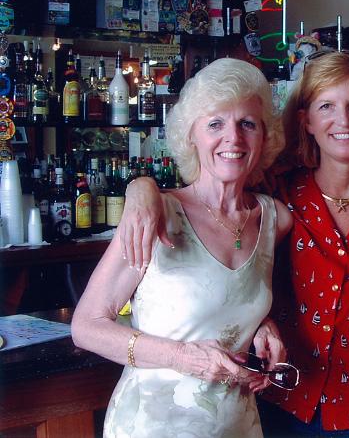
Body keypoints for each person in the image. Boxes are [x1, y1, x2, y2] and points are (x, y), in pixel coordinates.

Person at [118, 51, 349, 437]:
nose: (342, 120)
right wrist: (140, 188)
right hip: (283, 402)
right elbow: (207, 200)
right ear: (305, 120)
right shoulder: (275, 200)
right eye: (327, 106)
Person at [71, 58, 293, 438]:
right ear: (191, 135)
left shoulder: (275, 219)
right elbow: (86, 327)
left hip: (237, 426)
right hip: (152, 426)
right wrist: (183, 357)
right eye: (215, 124)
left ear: (265, 136)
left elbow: (232, 298)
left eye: (247, 124)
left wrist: (263, 326)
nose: (233, 138)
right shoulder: (156, 213)